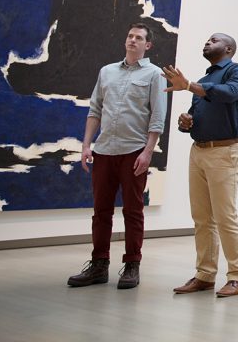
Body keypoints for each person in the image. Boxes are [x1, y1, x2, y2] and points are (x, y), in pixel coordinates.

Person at [68, 23, 166, 290]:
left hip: (134, 152)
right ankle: (99, 265)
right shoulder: (107, 72)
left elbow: (157, 118)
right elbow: (95, 110)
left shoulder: (155, 74)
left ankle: (132, 265)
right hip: (104, 151)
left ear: (148, 45)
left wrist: (148, 152)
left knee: (133, 211)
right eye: (130, 36)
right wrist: (86, 146)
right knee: (101, 212)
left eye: (139, 38)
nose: (132, 40)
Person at [161, 33, 238, 298]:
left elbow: (229, 94)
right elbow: (198, 117)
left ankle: (237, 276)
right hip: (199, 152)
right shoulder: (202, 81)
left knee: (225, 216)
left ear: (229, 48)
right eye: (207, 40)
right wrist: (187, 122)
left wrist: (189, 85)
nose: (207, 42)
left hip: (225, 152)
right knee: (202, 218)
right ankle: (205, 274)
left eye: (214, 40)